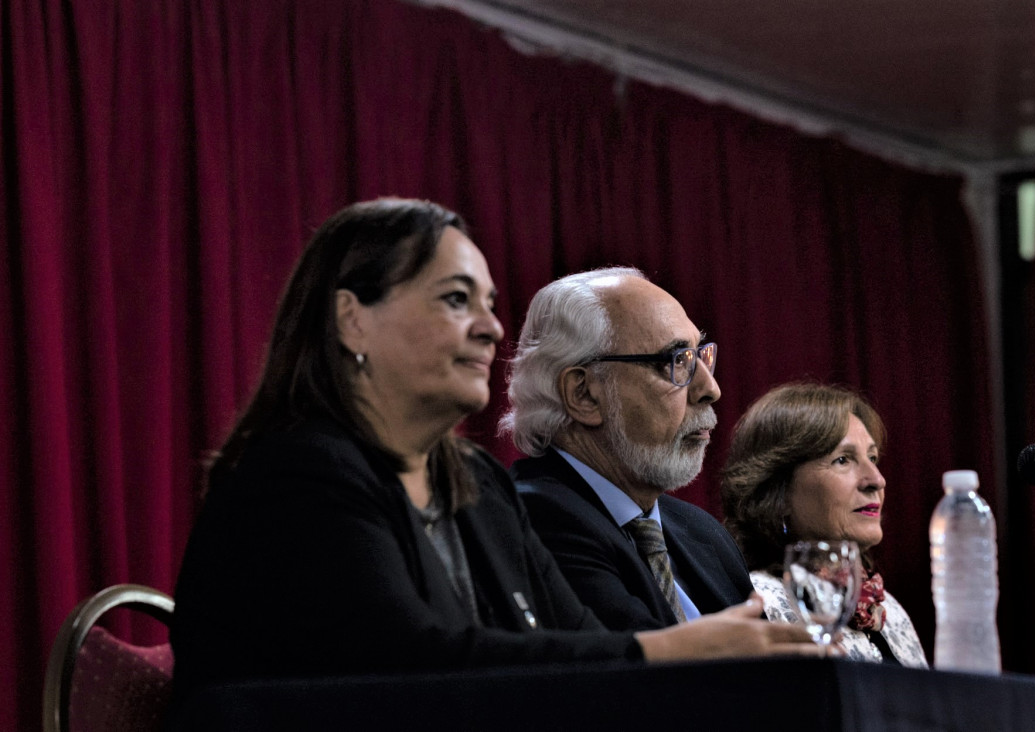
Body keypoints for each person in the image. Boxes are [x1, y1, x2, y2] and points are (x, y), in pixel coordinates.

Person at [169, 198, 815, 707]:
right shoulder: (298, 477)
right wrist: (668, 656)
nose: (493, 328)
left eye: (490, 305)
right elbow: (418, 671)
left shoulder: (475, 479)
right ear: (353, 319)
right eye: (456, 300)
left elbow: (585, 644)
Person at [500, 267, 753, 631]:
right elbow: (645, 678)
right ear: (584, 394)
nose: (710, 388)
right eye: (677, 360)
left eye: (700, 356)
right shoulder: (534, 519)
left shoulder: (700, 531)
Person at [720, 382, 928, 667]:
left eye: (873, 458)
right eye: (842, 460)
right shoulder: (760, 606)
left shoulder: (888, 609)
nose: (876, 480)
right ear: (777, 494)